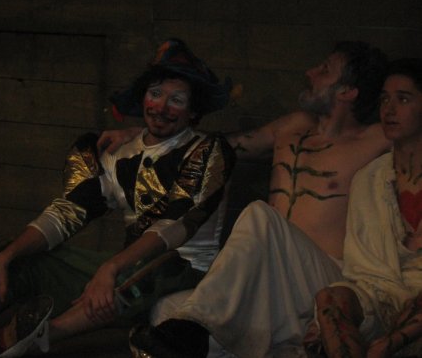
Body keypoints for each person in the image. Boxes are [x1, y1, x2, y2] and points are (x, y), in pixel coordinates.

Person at [101, 40, 389, 358]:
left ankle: (196, 331)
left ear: (348, 91)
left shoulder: (376, 139)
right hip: (273, 283)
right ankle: (213, 336)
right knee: (167, 311)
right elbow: (217, 149)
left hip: (323, 281)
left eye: (324, 70)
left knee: (260, 217)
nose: (310, 73)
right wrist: (146, 137)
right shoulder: (293, 126)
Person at [0, 38, 235, 356]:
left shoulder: (207, 151)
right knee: (16, 255)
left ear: (192, 112)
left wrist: (110, 268)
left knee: (154, 268)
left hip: (186, 269)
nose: (162, 107)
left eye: (176, 100)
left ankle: (43, 336)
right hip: (127, 266)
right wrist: (6, 257)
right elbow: (69, 211)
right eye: (155, 94)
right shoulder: (118, 151)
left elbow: (175, 226)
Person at [311, 59, 422, 358]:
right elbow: (362, 269)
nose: (389, 109)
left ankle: (387, 346)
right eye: (384, 99)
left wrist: (393, 339)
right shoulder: (369, 178)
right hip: (380, 294)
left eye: (403, 99)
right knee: (330, 299)